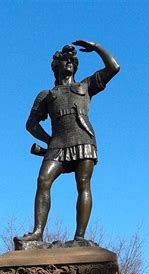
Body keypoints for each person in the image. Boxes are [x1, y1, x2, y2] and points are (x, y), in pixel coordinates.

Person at [14, 40, 120, 247]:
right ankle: (37, 233)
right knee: (43, 180)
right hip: (58, 143)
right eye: (65, 60)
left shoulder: (85, 86)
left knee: (83, 184)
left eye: (72, 60)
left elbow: (114, 67)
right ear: (56, 66)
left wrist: (95, 46)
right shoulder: (47, 95)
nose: (69, 63)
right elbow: (31, 124)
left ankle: (79, 237)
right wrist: (49, 140)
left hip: (83, 139)